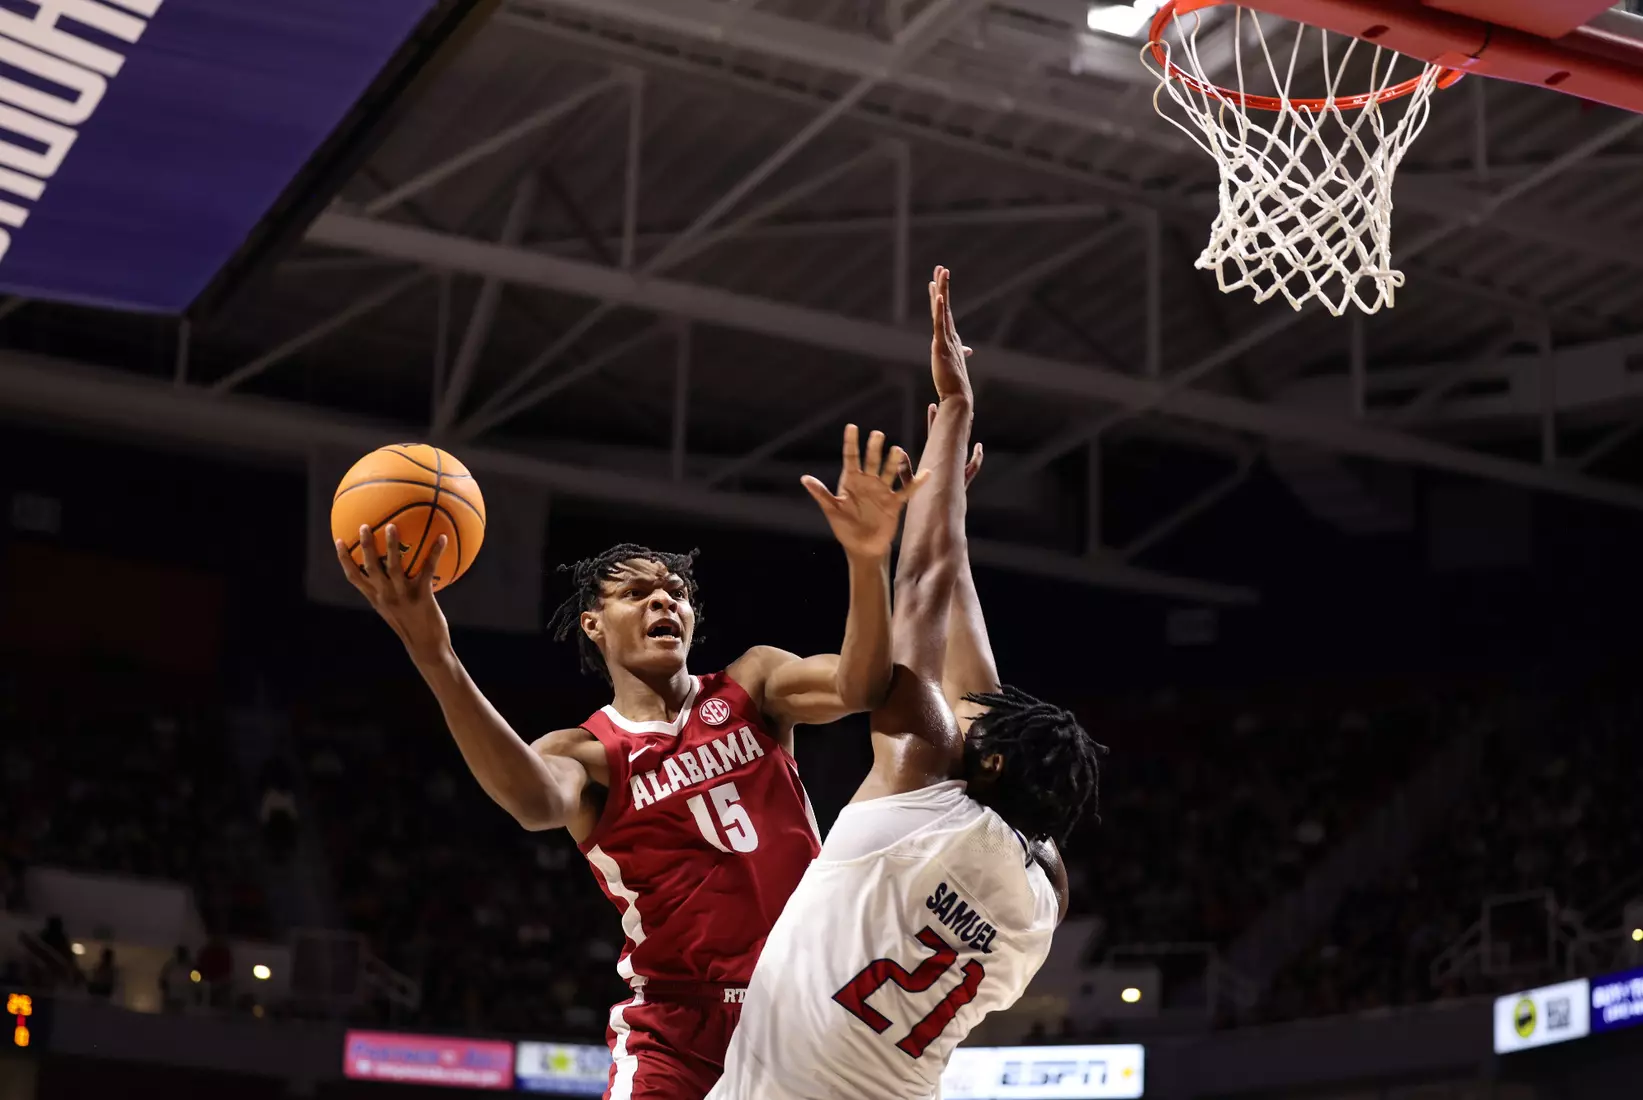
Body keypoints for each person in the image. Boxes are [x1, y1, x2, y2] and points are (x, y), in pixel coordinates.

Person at [335, 426, 928, 1100]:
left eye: (675, 592)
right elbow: (531, 803)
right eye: (637, 592)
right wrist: (435, 656)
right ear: (594, 624)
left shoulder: (754, 686)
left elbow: (862, 685)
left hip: (807, 1007)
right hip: (679, 1030)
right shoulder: (587, 753)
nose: (663, 600)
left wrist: (866, 558)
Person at [708, 267, 1107, 1100]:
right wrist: (942, 510)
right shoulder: (1044, 901)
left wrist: (956, 412)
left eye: (976, 729)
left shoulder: (921, 795)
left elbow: (922, 585)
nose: (966, 714)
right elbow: (963, 644)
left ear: (983, 766)